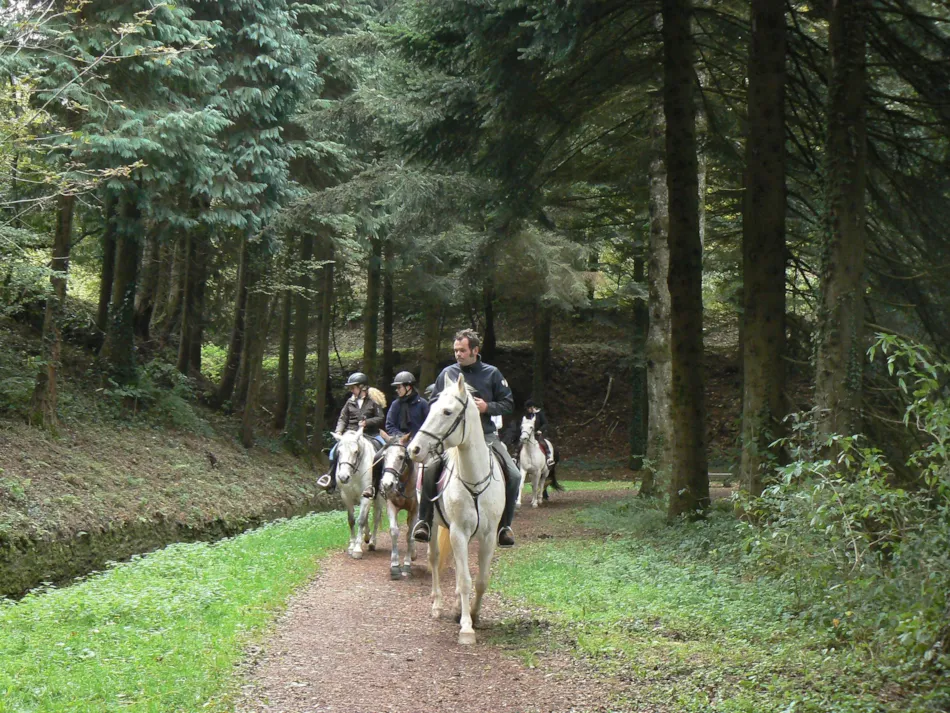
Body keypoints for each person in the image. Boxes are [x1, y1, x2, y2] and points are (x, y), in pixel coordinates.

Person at [411, 328, 521, 548]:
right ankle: (424, 521)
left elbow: (509, 403)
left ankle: (504, 527)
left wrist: (487, 406)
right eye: (455, 350)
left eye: (462, 350)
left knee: (515, 474)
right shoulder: (447, 374)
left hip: (486, 435)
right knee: (431, 468)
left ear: (475, 350)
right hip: (451, 438)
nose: (458, 354)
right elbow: (434, 404)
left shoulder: (492, 374)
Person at [361, 371, 431, 498]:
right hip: (398, 442)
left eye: (399, 387)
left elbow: (428, 424)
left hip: (418, 442)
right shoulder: (396, 404)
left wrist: (416, 438)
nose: (397, 390)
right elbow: (389, 424)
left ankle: (430, 493)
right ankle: (373, 487)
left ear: (408, 387)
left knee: (432, 463)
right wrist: (399, 437)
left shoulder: (423, 404)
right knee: (377, 457)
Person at [317, 372, 386, 492]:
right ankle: (331, 480)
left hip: (371, 434)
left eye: (353, 387)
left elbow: (380, 418)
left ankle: (381, 482)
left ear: (362, 387)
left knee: (385, 452)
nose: (351, 390)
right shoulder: (350, 401)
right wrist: (339, 431)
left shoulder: (373, 401)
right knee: (334, 452)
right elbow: (343, 418)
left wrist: (367, 422)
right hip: (351, 434)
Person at [524, 398, 556, 468]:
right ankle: (515, 457)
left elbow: (545, 423)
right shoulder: (528, 415)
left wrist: (540, 430)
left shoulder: (540, 414)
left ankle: (548, 457)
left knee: (542, 442)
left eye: (528, 408)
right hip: (529, 433)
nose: (528, 410)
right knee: (521, 443)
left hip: (538, 433)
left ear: (532, 407)